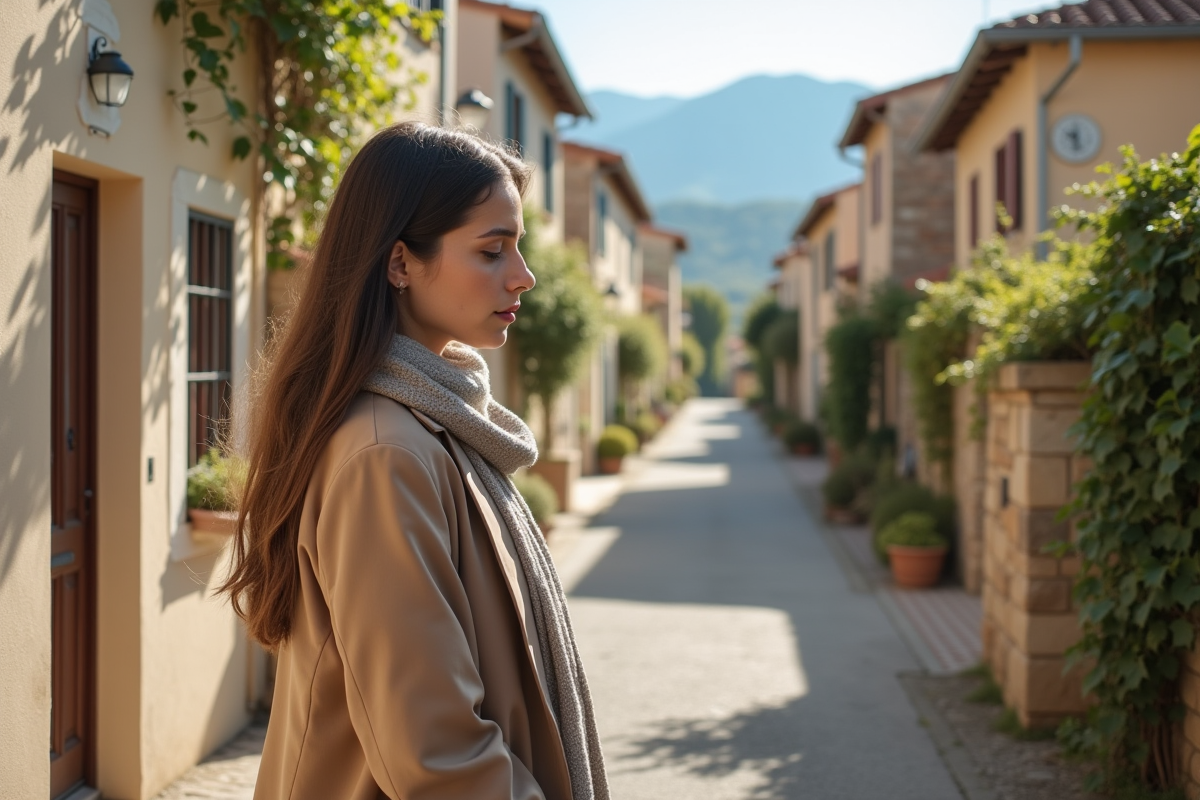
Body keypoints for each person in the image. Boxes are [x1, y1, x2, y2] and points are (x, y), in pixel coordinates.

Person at [221, 122, 608, 800]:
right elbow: (437, 755)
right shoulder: (386, 455)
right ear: (400, 263)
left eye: (517, 247)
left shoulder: (438, 427)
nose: (523, 276)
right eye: (492, 250)